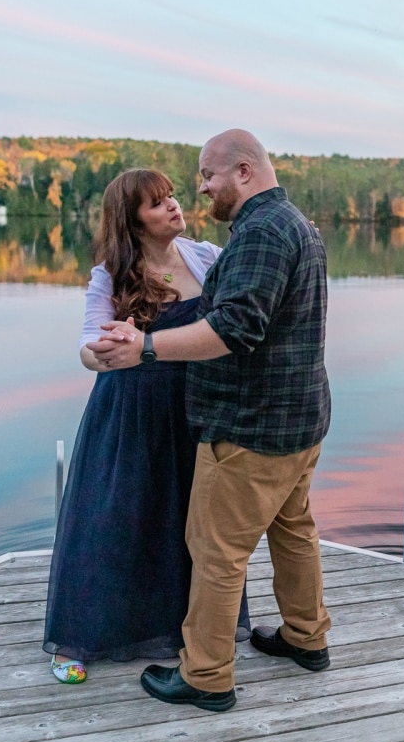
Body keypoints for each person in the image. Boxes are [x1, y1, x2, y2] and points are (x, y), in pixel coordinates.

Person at [88, 129, 332, 713]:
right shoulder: (296, 225)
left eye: (207, 176)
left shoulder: (258, 237)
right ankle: (306, 637)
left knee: (217, 553)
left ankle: (206, 676)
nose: (200, 190)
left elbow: (234, 330)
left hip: (253, 428)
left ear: (243, 171)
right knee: (294, 531)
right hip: (301, 421)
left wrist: (146, 348)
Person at [44, 168, 251, 684]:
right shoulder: (110, 274)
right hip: (129, 412)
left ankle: (183, 629)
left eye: (172, 197)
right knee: (111, 521)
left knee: (190, 523)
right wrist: (105, 353)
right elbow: (89, 347)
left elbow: (249, 293)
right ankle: (78, 637)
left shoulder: (205, 256)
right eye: (158, 204)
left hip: (193, 410)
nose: (175, 206)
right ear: (132, 221)